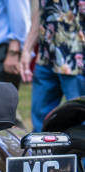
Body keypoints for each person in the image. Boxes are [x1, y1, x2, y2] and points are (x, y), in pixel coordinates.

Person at [20, 0, 85, 132]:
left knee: (81, 122)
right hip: (46, 58)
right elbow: (41, 12)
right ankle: (41, 152)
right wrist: (27, 50)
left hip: (76, 61)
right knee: (40, 124)